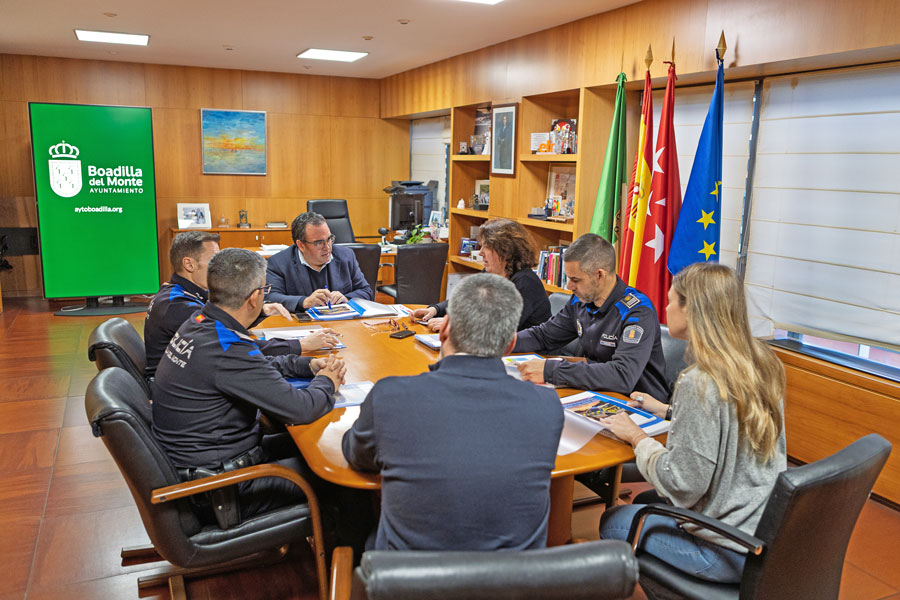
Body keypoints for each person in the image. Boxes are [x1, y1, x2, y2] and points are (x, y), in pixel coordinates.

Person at [342, 273, 564, 551]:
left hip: (408, 583)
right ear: (509, 344)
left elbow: (357, 456)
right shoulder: (547, 405)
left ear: (444, 328)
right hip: (512, 584)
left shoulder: (389, 396)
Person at [598, 263, 787, 584]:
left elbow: (682, 484)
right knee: (645, 502)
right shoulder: (761, 361)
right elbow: (729, 422)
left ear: (692, 310)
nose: (665, 307)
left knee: (612, 520)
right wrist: (669, 411)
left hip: (723, 549)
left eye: (671, 301)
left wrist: (636, 438)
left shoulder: (699, 382)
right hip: (764, 531)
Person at [152, 248, 347, 524]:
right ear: (255, 297)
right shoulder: (227, 348)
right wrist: (327, 381)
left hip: (208, 463)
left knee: (312, 446)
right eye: (265, 289)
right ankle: (344, 558)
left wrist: (308, 366)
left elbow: (254, 366)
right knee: (340, 475)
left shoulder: (200, 323)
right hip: (223, 490)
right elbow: (301, 409)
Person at [144, 231, 340, 377]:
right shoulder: (179, 306)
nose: (220, 268)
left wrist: (261, 310)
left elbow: (227, 327)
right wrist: (301, 345)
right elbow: (236, 347)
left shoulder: (182, 292)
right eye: (214, 261)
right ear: (189, 264)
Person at [511, 233, 669, 401]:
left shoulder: (637, 310)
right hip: (599, 394)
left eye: (575, 279)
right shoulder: (580, 301)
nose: (569, 286)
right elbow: (544, 336)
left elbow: (622, 375)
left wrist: (550, 370)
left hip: (642, 405)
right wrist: (504, 342)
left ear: (599, 275)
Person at [411, 218, 551, 332]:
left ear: (505, 250)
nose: (481, 252)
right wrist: (435, 309)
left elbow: (500, 327)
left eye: (487, 247)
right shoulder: (490, 273)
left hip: (529, 355)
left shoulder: (526, 282)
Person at [266, 212, 373, 312]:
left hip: (342, 324)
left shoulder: (346, 256)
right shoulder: (278, 263)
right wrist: (304, 302)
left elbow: (366, 291)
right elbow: (270, 298)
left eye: (329, 239)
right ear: (301, 245)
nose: (327, 247)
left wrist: (346, 298)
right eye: (319, 243)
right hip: (303, 326)